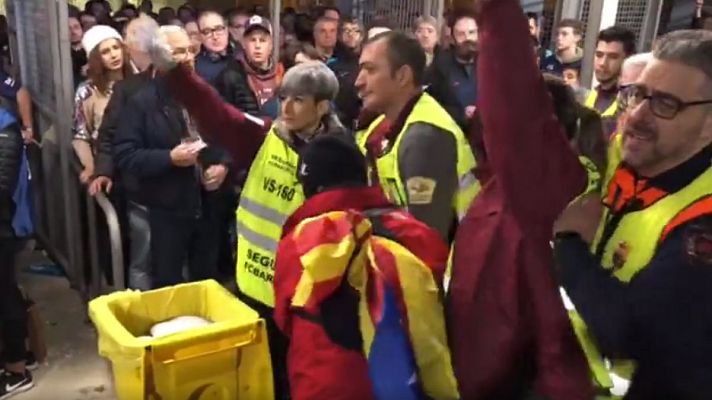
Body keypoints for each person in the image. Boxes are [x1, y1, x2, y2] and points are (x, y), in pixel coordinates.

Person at [149, 28, 348, 391]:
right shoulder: (266, 135)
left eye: (298, 100)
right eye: (283, 96)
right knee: (259, 377)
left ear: (321, 107)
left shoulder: (342, 156)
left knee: (302, 379)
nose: (285, 107)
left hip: (308, 300)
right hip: (256, 286)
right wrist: (178, 73)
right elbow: (220, 114)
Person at [446, 0, 598, 398]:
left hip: (524, 382)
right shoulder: (495, 186)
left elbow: (517, 107)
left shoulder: (548, 184)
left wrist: (496, 12)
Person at [554, 29, 712, 399]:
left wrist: (568, 243)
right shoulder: (618, 154)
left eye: (666, 104)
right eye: (638, 95)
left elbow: (628, 331)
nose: (637, 117)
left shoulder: (702, 221)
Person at [274, 134, 458, 400]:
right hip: (409, 384)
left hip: (324, 388)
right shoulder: (416, 233)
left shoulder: (301, 242)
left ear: (312, 188)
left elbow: (284, 318)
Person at [113, 26, 229, 289]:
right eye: (178, 52)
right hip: (166, 208)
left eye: (190, 50)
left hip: (207, 202)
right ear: (158, 58)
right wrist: (168, 158)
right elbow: (125, 154)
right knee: (169, 284)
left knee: (206, 281)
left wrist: (222, 164)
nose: (188, 57)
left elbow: (226, 135)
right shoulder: (141, 101)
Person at [355, 31, 478, 242]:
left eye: (370, 70)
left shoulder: (425, 137)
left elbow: (427, 242)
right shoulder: (380, 126)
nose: (358, 81)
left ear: (403, 76)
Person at [100, 14, 159, 290]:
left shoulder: (130, 88)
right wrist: (104, 169)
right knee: (147, 254)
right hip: (147, 182)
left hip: (154, 183)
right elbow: (110, 133)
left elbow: (108, 133)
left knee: (146, 257)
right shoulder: (129, 88)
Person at [72, 25, 132, 186]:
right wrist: (91, 166)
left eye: (116, 48)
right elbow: (81, 135)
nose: (113, 55)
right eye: (105, 52)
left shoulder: (138, 79)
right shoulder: (87, 91)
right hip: (107, 167)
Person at [215, 16, 283, 116]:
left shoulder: (282, 73)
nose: (257, 46)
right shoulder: (230, 76)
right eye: (252, 40)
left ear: (271, 45)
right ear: (243, 43)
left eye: (262, 40)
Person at [586, 26, 637, 137]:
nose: (603, 63)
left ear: (628, 60)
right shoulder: (589, 96)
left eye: (613, 57)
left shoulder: (633, 104)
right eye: (599, 55)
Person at [314, 15, 361, 129]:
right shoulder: (331, 64)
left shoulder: (366, 62)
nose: (351, 34)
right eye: (347, 30)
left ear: (362, 35)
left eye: (356, 31)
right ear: (339, 35)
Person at [446, 11, 479, 120]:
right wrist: (460, 114)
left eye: (472, 32)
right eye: (461, 34)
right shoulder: (440, 69)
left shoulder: (492, 66)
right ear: (452, 37)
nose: (467, 38)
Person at [195, 11, 232, 86]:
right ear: (200, 36)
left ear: (227, 31)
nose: (215, 36)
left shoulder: (241, 58)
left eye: (219, 29)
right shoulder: (195, 68)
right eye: (207, 32)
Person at [69, 15, 87, 89]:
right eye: (68, 29)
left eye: (76, 27)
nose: (73, 32)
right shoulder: (61, 54)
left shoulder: (91, 50)